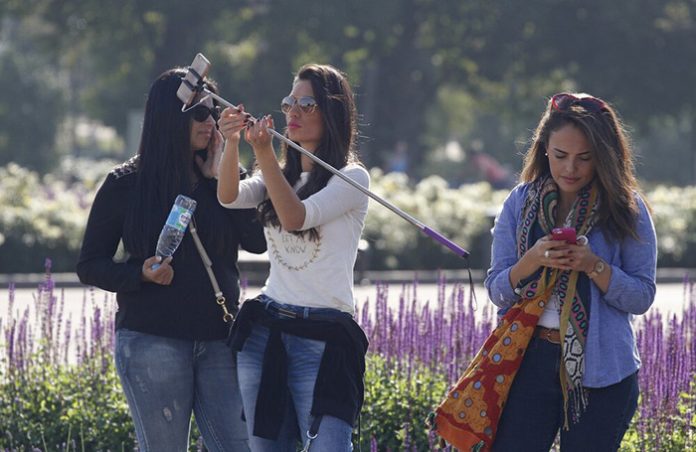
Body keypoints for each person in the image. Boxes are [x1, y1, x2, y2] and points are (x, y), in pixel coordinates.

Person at [76, 69, 266, 452]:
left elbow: (258, 241)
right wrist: (139, 274)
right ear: (170, 116)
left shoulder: (226, 175)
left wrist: (218, 180)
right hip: (152, 341)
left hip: (219, 341)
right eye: (199, 113)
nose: (210, 122)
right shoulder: (125, 183)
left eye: (213, 112)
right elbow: (90, 263)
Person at [484, 92, 657, 451]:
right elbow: (497, 290)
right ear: (544, 148)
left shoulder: (627, 208)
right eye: (560, 156)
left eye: (584, 158)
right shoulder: (519, 201)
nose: (570, 168)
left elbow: (642, 296)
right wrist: (532, 260)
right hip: (528, 361)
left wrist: (593, 265)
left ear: (603, 158)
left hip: (603, 371)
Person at [217, 63, 369, 451]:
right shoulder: (277, 172)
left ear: (332, 113)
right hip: (268, 330)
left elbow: (295, 218)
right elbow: (229, 196)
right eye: (289, 103)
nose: (293, 114)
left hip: (324, 338)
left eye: (307, 104)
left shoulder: (352, 178)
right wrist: (233, 142)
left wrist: (264, 152)